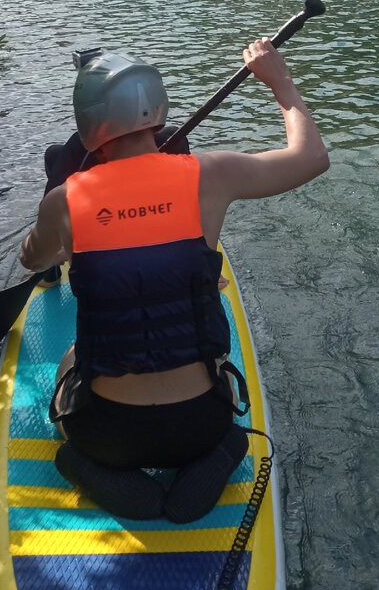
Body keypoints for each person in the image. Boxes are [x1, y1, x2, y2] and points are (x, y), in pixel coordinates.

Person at [18, 38, 329, 523]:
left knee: (72, 358)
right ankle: (220, 455)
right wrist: (280, 82)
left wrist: (65, 243)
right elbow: (311, 158)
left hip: (106, 435)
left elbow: (31, 259)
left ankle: (94, 470)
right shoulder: (212, 174)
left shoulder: (64, 199)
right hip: (202, 426)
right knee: (211, 379)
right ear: (157, 107)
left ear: (87, 123)